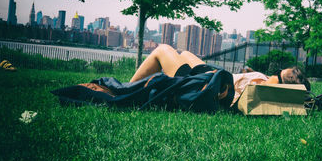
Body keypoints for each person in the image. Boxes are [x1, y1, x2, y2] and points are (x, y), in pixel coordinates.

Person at [130, 44, 311, 106]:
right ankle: (132, 87)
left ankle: (127, 89)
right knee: (184, 54)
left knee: (162, 50)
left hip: (207, 79)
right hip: (211, 73)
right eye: (296, 72)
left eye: (297, 78)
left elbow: (242, 97)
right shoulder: (265, 79)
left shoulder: (268, 87)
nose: (295, 75)